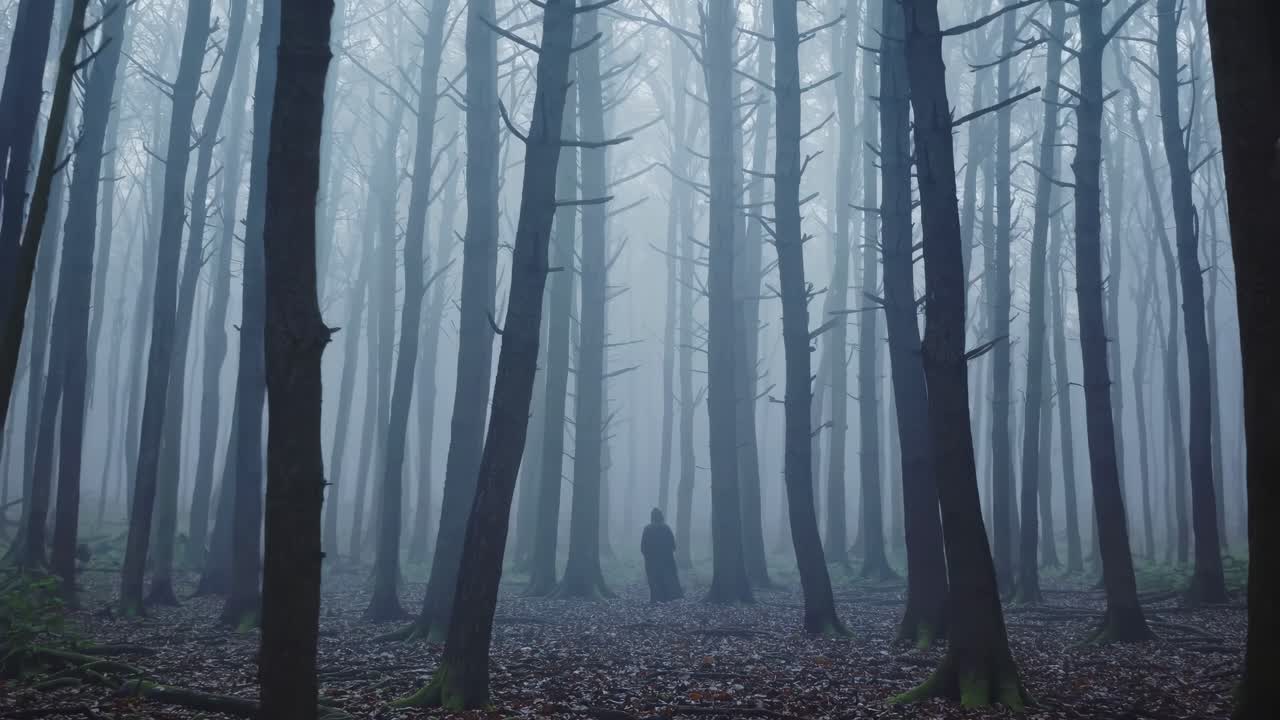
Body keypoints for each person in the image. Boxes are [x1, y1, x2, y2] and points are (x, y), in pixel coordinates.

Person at [640, 508, 683, 602]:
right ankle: (667, 598)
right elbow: (673, 546)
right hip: (666, 561)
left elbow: (643, 547)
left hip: (651, 561)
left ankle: (655, 599)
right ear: (661, 516)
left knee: (653, 580)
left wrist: (648, 556)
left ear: (652, 517)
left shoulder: (647, 529)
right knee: (666, 580)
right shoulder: (666, 528)